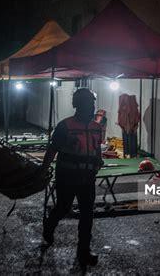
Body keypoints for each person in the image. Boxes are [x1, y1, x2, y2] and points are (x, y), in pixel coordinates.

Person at [40, 88, 103, 270]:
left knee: (87, 214)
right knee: (63, 207)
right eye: (87, 103)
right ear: (78, 105)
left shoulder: (96, 126)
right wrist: (43, 170)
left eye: (92, 103)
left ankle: (84, 251)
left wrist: (98, 161)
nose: (91, 107)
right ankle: (49, 225)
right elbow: (52, 150)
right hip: (67, 176)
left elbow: (96, 148)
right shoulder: (64, 126)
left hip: (87, 178)